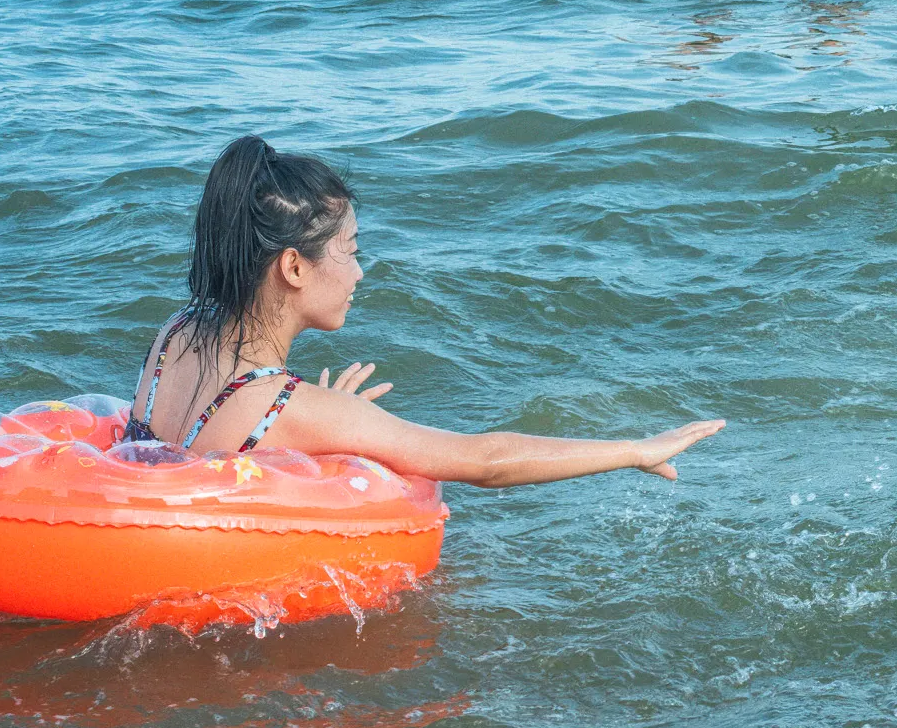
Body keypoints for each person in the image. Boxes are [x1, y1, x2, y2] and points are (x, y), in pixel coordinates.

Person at [124, 136, 722, 486]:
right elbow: (485, 460)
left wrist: (316, 425)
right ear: (294, 268)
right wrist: (635, 449)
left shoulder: (174, 333)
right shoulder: (290, 407)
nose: (359, 272)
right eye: (350, 253)